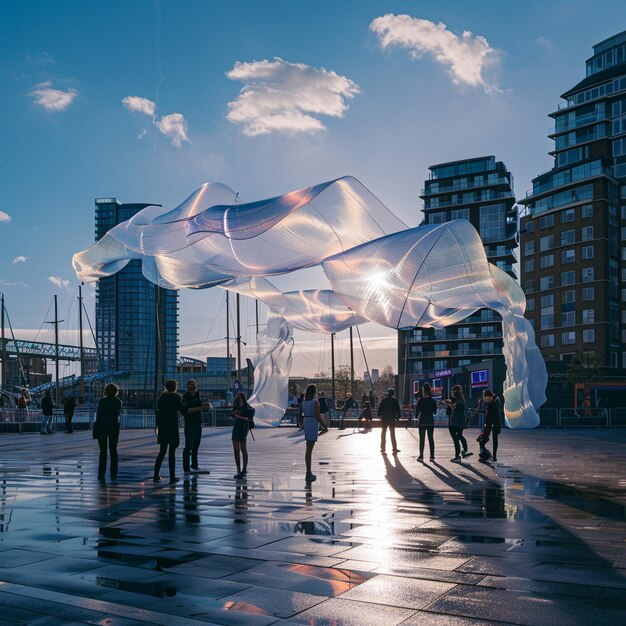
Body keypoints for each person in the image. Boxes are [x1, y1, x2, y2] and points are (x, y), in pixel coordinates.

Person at [154, 379, 183, 484]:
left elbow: (159, 413)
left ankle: (156, 475)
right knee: (172, 453)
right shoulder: (177, 397)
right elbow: (182, 409)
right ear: (175, 387)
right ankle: (172, 477)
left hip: (163, 427)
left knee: (162, 452)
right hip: (172, 427)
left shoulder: (161, 398)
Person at [93, 383, 121, 481]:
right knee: (113, 450)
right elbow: (116, 415)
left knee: (103, 451)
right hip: (113, 428)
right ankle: (114, 473)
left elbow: (99, 415)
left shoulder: (102, 401)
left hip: (102, 427)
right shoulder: (118, 402)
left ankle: (101, 473)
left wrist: (96, 428)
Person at [181, 379, 207, 474]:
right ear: (188, 387)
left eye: (193, 385)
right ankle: (186, 467)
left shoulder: (197, 395)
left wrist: (205, 408)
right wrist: (201, 408)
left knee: (196, 445)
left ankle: (194, 465)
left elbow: (199, 407)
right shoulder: (185, 397)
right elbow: (186, 410)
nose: (192, 387)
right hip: (190, 424)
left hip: (197, 422)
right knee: (188, 446)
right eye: (190, 385)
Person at [301, 383, 323, 482]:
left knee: (308, 449)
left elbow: (300, 414)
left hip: (306, 422)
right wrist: (324, 425)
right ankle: (308, 472)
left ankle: (308, 471)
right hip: (313, 423)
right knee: (310, 449)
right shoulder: (315, 402)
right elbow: (317, 416)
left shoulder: (304, 402)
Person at [445, 385, 472, 462]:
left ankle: (458, 456)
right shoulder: (462, 399)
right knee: (459, 436)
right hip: (460, 422)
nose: (452, 392)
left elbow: (453, 406)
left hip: (454, 422)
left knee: (455, 438)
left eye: (453, 391)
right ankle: (465, 451)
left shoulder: (456, 399)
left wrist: (448, 404)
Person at [231, 392, 254, 479]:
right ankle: (238, 469)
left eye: (240, 398)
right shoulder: (236, 406)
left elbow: (248, 419)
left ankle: (244, 469)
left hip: (243, 428)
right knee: (236, 450)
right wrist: (234, 415)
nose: (239, 399)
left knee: (243, 449)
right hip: (236, 427)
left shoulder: (246, 407)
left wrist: (238, 416)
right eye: (238, 398)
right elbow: (233, 415)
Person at [478, 389, 502, 463]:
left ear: (489, 396)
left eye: (486, 399)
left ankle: (490, 456)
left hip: (493, 422)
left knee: (492, 439)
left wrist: (481, 408)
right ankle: (488, 455)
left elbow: (489, 412)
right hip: (491, 422)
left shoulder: (494, 402)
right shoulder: (493, 401)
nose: (486, 400)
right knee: (483, 439)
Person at [415, 382, 437, 462]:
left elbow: (416, 413)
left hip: (422, 421)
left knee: (422, 439)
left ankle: (421, 456)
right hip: (430, 421)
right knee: (431, 439)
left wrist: (416, 416)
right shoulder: (433, 401)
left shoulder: (420, 400)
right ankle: (432, 456)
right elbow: (435, 412)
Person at [377, 388, 401, 454]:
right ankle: (394, 448)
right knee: (392, 433)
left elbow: (380, 409)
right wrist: (398, 417)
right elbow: (398, 410)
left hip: (384, 419)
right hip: (391, 419)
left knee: (383, 433)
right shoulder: (395, 401)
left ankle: (383, 448)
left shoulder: (384, 400)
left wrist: (379, 415)